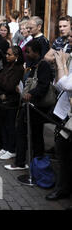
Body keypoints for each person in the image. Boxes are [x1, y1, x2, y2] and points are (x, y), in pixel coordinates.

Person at [5, 40, 53, 171]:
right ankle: (31, 161)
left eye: (28, 51)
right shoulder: (33, 64)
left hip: (36, 107)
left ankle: (28, 162)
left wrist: (30, 94)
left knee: (30, 133)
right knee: (29, 133)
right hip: (28, 105)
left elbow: (43, 86)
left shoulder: (43, 65)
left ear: (36, 52)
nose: (26, 54)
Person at [46, 46, 72, 201]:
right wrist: (60, 65)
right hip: (65, 113)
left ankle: (64, 189)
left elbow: (67, 85)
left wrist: (61, 63)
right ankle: (63, 188)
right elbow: (59, 84)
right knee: (63, 152)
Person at [0, 46, 24, 160]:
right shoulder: (8, 65)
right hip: (3, 99)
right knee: (3, 124)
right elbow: (4, 81)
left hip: (11, 101)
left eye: (10, 55)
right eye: (7, 54)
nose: (7, 56)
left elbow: (9, 85)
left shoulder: (19, 69)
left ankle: (11, 149)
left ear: (16, 56)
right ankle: (5, 147)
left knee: (10, 125)